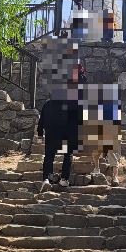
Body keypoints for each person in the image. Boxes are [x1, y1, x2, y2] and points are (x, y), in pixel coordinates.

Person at [37, 60, 87, 190]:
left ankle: (47, 178)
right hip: (68, 130)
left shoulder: (48, 103)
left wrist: (40, 133)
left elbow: (42, 118)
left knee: (49, 155)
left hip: (52, 131)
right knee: (68, 153)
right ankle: (64, 179)